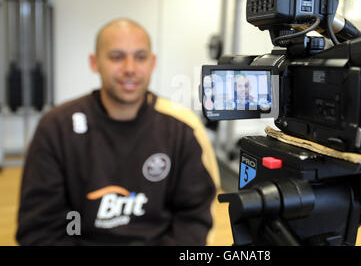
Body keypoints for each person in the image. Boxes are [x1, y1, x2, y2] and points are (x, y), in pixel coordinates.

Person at [16, 18, 220, 245]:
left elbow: (194, 219)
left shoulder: (180, 131)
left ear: (152, 63)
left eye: (140, 57)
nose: (130, 69)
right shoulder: (56, 128)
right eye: (117, 57)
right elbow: (38, 231)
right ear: (95, 63)